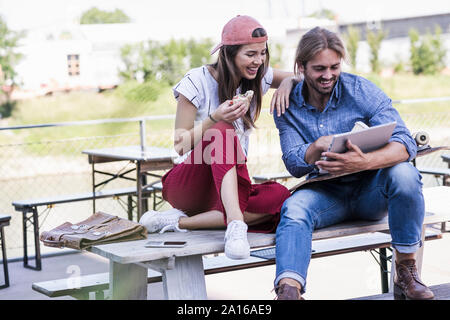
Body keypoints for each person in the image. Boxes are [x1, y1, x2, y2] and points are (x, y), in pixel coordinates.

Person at [272, 27, 434, 300]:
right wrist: (314, 149)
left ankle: (406, 270)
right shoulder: (287, 105)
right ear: (300, 67)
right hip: (325, 194)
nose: (328, 75)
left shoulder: (360, 90)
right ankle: (288, 291)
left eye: (334, 67)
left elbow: (405, 143)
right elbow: (293, 164)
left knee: (405, 175)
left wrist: (364, 162)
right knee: (294, 208)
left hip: (372, 190)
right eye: (319, 68)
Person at [139, 15, 297, 260]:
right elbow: (180, 145)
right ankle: (235, 225)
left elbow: (299, 76)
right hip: (189, 183)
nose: (258, 61)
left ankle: (181, 221)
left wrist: (286, 84)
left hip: (227, 188)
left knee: (281, 197)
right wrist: (214, 117)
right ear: (229, 53)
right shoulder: (196, 81)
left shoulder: (256, 77)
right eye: (250, 54)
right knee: (222, 129)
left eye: (262, 53)